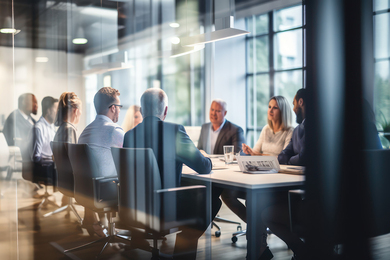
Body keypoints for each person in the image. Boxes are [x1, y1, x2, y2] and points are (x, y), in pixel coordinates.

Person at [123, 88, 220, 260]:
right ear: (165, 110)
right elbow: (204, 167)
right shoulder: (174, 131)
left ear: (142, 111)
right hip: (163, 210)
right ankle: (183, 253)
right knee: (211, 197)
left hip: (134, 207)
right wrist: (208, 159)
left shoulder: (130, 135)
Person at [220, 95, 294, 259]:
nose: (270, 110)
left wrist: (257, 154)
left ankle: (258, 246)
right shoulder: (266, 130)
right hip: (260, 178)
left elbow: (282, 158)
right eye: (269, 107)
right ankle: (258, 229)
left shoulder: (290, 132)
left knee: (255, 199)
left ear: (283, 111)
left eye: (275, 107)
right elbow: (256, 153)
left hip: (276, 183)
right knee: (227, 193)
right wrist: (250, 153)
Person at [78, 87, 124, 237]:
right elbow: (131, 159)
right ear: (113, 108)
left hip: (84, 190)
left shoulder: (86, 131)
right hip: (105, 191)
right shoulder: (114, 130)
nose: (119, 111)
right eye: (119, 107)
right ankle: (139, 235)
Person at [53, 92, 82, 206]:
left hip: (63, 180)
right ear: (75, 110)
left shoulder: (61, 128)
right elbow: (73, 161)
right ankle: (91, 220)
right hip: (70, 181)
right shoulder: (70, 129)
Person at [278, 89, 307, 166]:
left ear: (301, 102)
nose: (293, 109)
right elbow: (285, 153)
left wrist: (289, 160)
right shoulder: (296, 130)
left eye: (294, 104)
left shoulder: (316, 129)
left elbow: (304, 157)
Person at [30, 96, 59, 163]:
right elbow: (36, 157)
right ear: (48, 111)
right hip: (44, 169)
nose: (58, 113)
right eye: (56, 110)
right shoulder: (38, 128)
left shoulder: (52, 126)